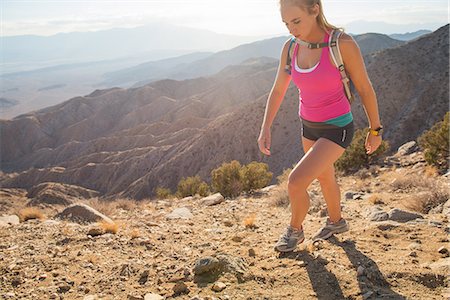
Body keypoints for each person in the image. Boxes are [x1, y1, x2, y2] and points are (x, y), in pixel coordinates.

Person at [257, 0, 383, 252]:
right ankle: (336, 223)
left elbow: (365, 88)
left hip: (338, 128)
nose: (291, 29)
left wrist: (375, 129)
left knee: (295, 182)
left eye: (296, 21)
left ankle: (295, 231)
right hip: (308, 125)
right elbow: (279, 88)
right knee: (325, 177)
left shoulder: (341, 43)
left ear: (314, 10)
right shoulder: (291, 47)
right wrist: (265, 126)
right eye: (286, 23)